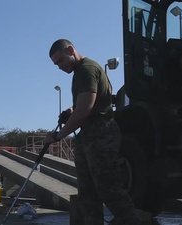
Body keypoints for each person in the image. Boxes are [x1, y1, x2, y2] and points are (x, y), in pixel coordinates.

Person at [44, 39, 140, 225]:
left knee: (108, 189)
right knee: (87, 194)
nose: (59, 67)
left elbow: (84, 110)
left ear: (71, 50)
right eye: (56, 64)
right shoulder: (83, 71)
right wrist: (72, 110)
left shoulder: (87, 70)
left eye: (61, 61)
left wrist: (58, 135)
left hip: (100, 133)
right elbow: (94, 99)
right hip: (88, 135)